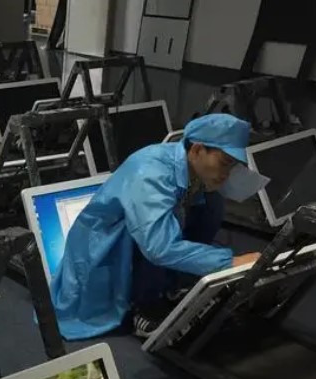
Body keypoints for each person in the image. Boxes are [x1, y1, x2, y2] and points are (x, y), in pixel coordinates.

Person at [50, 114, 269, 340]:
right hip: (105, 251)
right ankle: (144, 305)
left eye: (233, 166)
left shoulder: (190, 167)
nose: (227, 174)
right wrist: (229, 263)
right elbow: (159, 247)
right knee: (160, 233)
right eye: (224, 163)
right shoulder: (151, 173)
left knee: (211, 203)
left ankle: (176, 284)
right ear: (197, 150)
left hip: (143, 244)